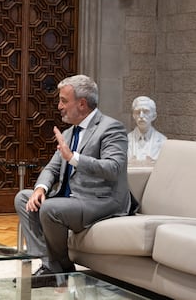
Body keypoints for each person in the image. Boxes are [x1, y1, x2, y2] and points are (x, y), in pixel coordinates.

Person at [14, 75, 131, 288]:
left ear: (82, 104)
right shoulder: (69, 133)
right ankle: (50, 266)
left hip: (102, 200)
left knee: (50, 209)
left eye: (64, 101)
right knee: (24, 198)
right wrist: (40, 188)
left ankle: (63, 267)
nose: (59, 106)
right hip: (72, 200)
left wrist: (74, 158)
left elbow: (113, 168)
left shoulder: (111, 128)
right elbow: (52, 168)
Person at [127, 96, 167, 163]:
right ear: (133, 115)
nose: (141, 116)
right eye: (137, 112)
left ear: (154, 116)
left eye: (146, 111)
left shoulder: (163, 141)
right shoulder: (125, 140)